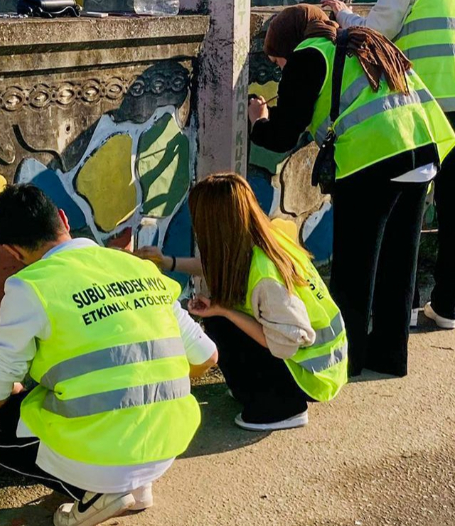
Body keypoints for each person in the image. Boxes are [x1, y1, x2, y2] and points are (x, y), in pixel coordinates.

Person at [0, 184, 217, 526]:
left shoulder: (29, 287)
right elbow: (208, 356)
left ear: (12, 250)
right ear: (62, 218)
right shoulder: (137, 267)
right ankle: (136, 484)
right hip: (169, 441)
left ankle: (95, 491)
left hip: (107, 454)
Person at [250, 6, 455, 378]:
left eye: (278, 58)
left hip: (372, 160)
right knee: (398, 262)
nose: (280, 67)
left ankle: (350, 359)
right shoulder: (363, 44)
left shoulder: (308, 55)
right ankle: (391, 357)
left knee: (353, 269)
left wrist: (259, 121)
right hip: (421, 150)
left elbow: (282, 135)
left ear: (289, 42)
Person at [322, 0, 455, 330]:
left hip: (427, 107)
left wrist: (341, 14)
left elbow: (376, 33)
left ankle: (403, 305)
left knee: (407, 209)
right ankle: (448, 308)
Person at [139, 173, 347, 431]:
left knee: (221, 318)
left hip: (313, 373)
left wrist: (225, 310)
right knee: (219, 316)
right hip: (315, 361)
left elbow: (288, 342)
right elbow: (219, 265)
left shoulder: (266, 275)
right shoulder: (262, 238)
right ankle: (257, 390)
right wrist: (167, 261)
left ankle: (282, 407)